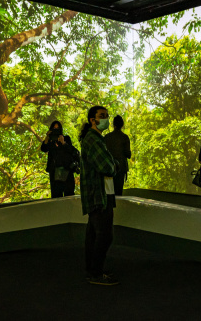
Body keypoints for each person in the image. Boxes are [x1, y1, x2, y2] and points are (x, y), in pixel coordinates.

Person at [79, 105, 118, 285]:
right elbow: (108, 167)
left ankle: (92, 270)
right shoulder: (93, 140)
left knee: (94, 234)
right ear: (92, 120)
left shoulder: (96, 139)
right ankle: (95, 273)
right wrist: (115, 164)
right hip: (99, 195)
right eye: (102, 116)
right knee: (104, 235)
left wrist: (112, 163)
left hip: (100, 193)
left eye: (107, 116)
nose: (106, 119)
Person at [40, 120, 80, 198]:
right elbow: (43, 148)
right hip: (54, 172)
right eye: (54, 129)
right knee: (56, 196)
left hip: (67, 170)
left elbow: (72, 151)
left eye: (58, 129)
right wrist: (47, 137)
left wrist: (63, 142)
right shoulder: (50, 141)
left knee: (69, 195)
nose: (56, 130)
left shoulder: (66, 138)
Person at [103, 115, 131, 196]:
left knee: (109, 192)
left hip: (109, 168)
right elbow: (128, 154)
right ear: (122, 125)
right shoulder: (125, 137)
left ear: (113, 124)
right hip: (121, 168)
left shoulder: (107, 137)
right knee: (118, 192)